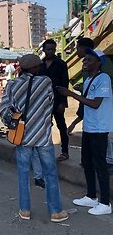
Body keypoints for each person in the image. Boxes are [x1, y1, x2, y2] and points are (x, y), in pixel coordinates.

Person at [0, 54, 68, 222]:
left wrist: (13, 119)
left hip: (22, 136)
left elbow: (4, 109)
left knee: (23, 174)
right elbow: (50, 104)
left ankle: (25, 210)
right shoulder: (45, 82)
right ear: (35, 68)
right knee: (50, 173)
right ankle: (55, 212)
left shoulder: (12, 85)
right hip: (43, 136)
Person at [57, 49, 112, 215]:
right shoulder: (88, 80)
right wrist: (81, 91)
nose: (85, 62)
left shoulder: (104, 78)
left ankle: (105, 203)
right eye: (85, 60)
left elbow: (95, 104)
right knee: (87, 163)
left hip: (99, 128)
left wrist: (71, 94)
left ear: (98, 62)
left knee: (100, 165)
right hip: (89, 128)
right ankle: (91, 196)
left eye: (88, 60)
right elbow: (87, 102)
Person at [39, 39, 70, 161]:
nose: (51, 51)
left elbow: (65, 83)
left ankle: (65, 151)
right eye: (48, 49)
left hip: (57, 100)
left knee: (61, 126)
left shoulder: (61, 64)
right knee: (45, 127)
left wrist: (63, 102)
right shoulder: (39, 65)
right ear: (44, 50)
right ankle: (45, 151)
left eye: (53, 49)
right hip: (43, 102)